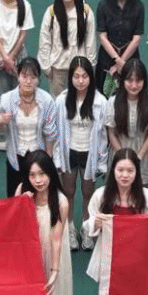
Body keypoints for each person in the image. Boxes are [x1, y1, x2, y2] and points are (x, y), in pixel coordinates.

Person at [13, 151, 73, 295]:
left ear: (51, 174)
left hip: (51, 255)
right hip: (28, 253)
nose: (38, 180)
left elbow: (56, 240)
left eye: (42, 174)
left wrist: (54, 271)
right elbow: (14, 224)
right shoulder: (22, 191)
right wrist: (22, 204)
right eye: (33, 175)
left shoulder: (61, 202)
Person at [54, 56, 108, 250]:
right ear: (70, 77)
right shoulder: (61, 100)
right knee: (68, 191)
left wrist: (102, 161)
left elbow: (103, 135)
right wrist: (57, 158)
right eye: (76, 76)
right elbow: (57, 132)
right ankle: (69, 229)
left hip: (89, 154)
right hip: (69, 153)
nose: (80, 81)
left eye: (84, 76)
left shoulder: (100, 101)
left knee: (88, 193)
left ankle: (86, 229)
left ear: (90, 77)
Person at [82, 149, 148, 284]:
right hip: (109, 255)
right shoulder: (100, 195)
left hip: (137, 256)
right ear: (113, 171)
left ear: (137, 172)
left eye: (130, 171)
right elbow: (87, 225)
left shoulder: (146, 195)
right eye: (120, 170)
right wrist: (95, 223)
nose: (125, 175)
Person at [0, 57, 61, 197]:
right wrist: (1, 122)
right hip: (15, 157)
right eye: (24, 76)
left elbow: (50, 133)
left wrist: (48, 159)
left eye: (33, 77)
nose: (28, 81)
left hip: (37, 155)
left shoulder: (47, 100)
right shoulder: (7, 99)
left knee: (38, 198)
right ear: (18, 76)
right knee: (15, 198)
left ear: (38, 79)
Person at [104, 58, 148, 192]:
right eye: (129, 80)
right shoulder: (113, 102)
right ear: (123, 81)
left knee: (140, 194)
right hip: (119, 150)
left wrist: (138, 157)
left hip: (144, 153)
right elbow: (111, 133)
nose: (134, 85)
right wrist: (123, 157)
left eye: (138, 80)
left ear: (144, 81)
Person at [37, 0, 97, 97]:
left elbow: (90, 43)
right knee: (58, 106)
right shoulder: (51, 12)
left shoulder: (86, 12)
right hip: (57, 70)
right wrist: (47, 69)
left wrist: (89, 67)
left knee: (80, 104)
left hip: (80, 71)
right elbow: (45, 42)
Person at [95, 0, 144, 92]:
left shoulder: (138, 6)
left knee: (130, 92)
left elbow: (137, 38)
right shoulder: (103, 5)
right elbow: (102, 36)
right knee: (104, 93)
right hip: (107, 57)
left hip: (130, 57)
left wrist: (122, 62)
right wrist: (117, 60)